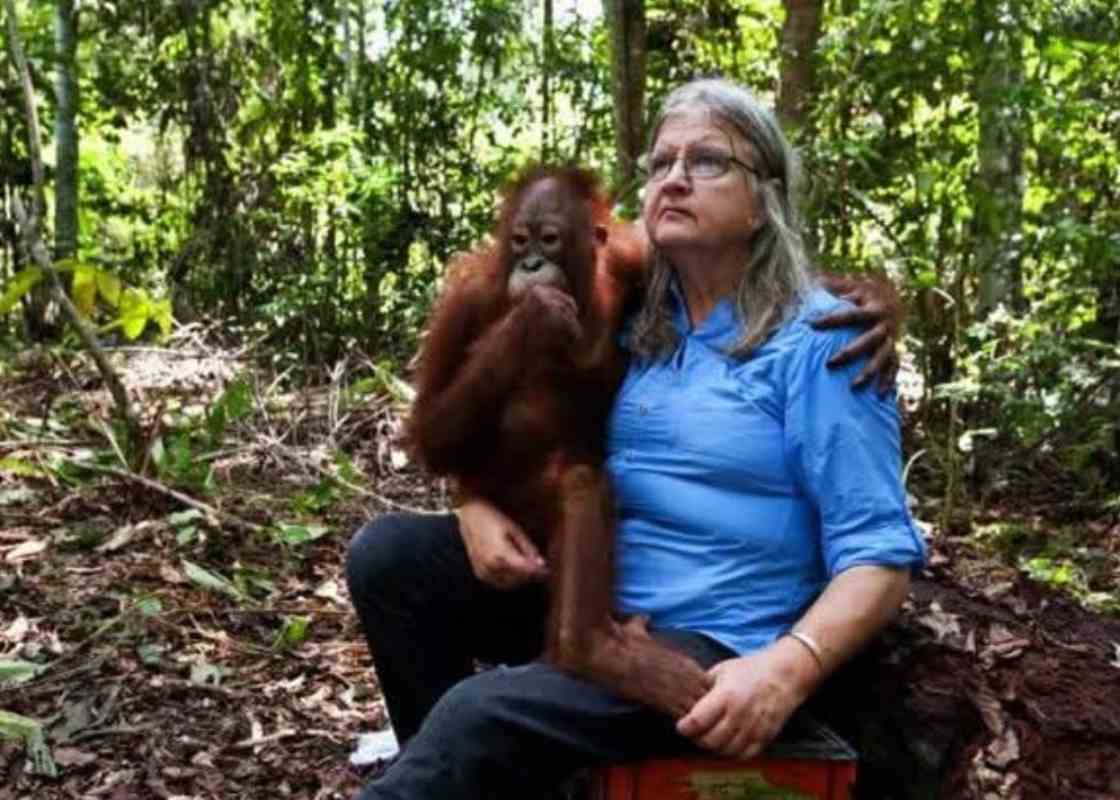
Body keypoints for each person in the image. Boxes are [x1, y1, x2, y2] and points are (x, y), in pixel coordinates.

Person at [346, 77, 926, 800]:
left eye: (709, 161)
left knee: (480, 713)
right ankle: (453, 777)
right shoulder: (638, 310)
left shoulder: (824, 344)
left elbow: (879, 554)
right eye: (660, 164)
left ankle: (438, 776)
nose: (675, 179)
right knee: (393, 559)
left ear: (763, 200)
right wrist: (474, 501)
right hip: (594, 595)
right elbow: (491, 417)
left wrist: (785, 670)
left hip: (711, 636)